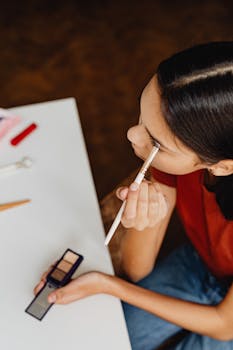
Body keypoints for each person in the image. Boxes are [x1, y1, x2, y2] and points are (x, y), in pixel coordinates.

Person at [34, 42, 233, 350]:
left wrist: (108, 285)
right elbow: (137, 269)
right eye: (142, 118)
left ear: (222, 167)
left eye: (155, 142)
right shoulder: (177, 159)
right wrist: (140, 222)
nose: (131, 134)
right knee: (100, 338)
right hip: (202, 265)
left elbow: (223, 326)